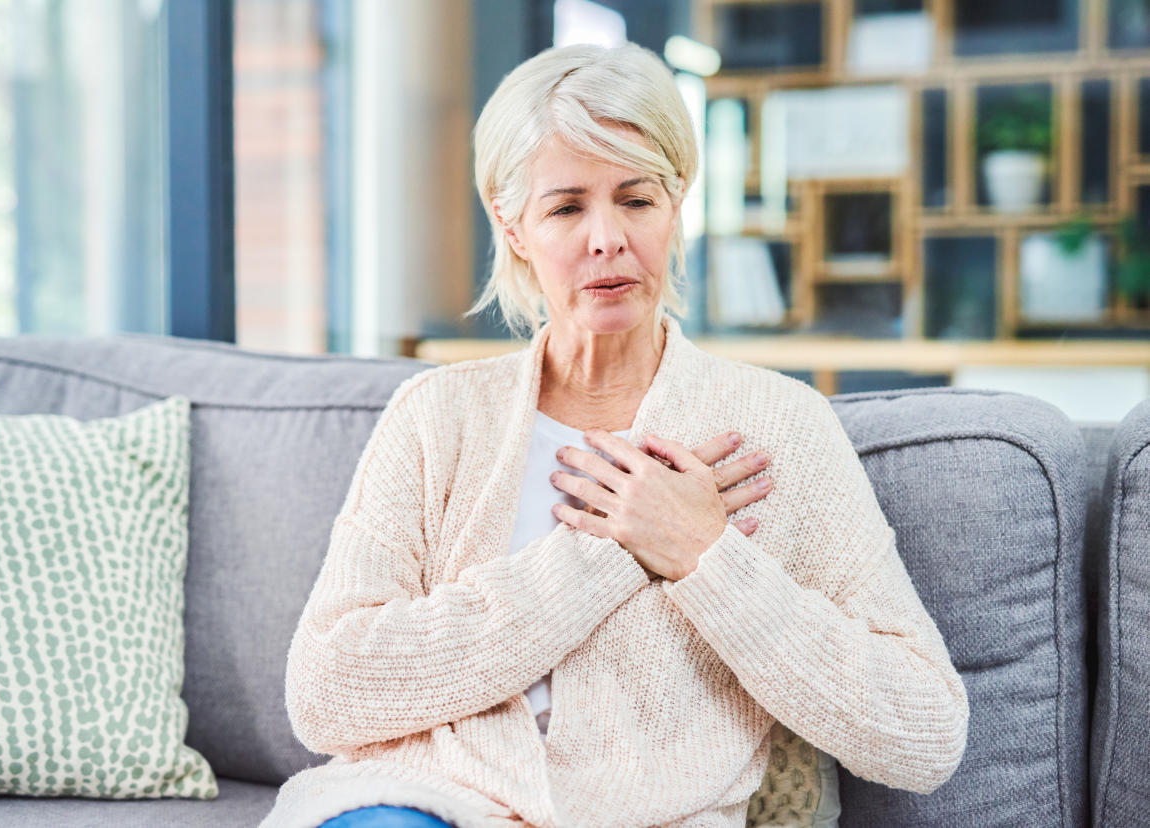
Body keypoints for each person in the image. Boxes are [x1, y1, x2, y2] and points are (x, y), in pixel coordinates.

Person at [260, 42, 968, 828]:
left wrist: (708, 558)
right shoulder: (437, 415)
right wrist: (609, 554)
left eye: (636, 199)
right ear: (514, 224)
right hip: (426, 804)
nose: (607, 238)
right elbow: (326, 692)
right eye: (566, 207)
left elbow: (924, 733)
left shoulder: (778, 427)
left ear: (677, 205)